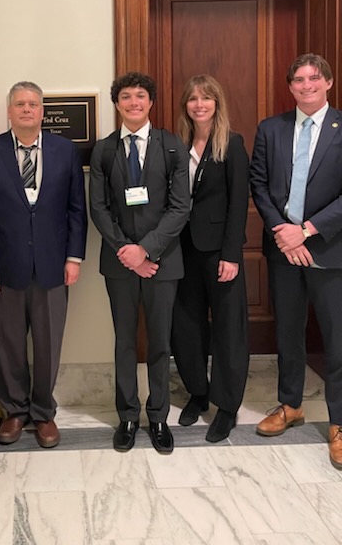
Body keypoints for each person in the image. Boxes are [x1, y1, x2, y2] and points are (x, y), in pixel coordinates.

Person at [0, 81, 87, 448]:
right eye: (19, 104)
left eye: (33, 104)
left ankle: (43, 413)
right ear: (9, 111)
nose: (26, 109)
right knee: (7, 344)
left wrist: (74, 257)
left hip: (53, 266)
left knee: (48, 344)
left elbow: (75, 210)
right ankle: (15, 411)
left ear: (42, 111)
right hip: (3, 268)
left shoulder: (64, 150)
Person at [250, 53, 342, 469]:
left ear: (328, 82)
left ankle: (339, 423)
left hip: (328, 249)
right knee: (288, 332)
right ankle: (290, 405)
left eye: (314, 78)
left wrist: (305, 230)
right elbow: (259, 184)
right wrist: (283, 234)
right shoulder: (271, 129)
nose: (306, 85)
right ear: (290, 87)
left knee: (337, 339)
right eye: (299, 80)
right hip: (283, 249)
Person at [89, 71, 189, 454]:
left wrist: (146, 250)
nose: (134, 102)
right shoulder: (104, 149)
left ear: (151, 102)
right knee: (125, 342)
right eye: (126, 97)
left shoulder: (172, 147)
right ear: (117, 104)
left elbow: (180, 208)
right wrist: (127, 253)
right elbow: (98, 208)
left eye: (141, 96)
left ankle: (159, 416)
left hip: (163, 262)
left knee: (161, 343)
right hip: (119, 264)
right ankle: (128, 415)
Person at [171, 75, 250, 443]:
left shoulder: (231, 144)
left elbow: (239, 203)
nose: (199, 104)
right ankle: (198, 395)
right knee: (186, 325)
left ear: (217, 103)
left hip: (220, 251)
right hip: (181, 249)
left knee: (228, 330)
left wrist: (232, 254)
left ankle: (227, 406)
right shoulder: (176, 144)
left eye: (206, 98)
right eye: (192, 99)